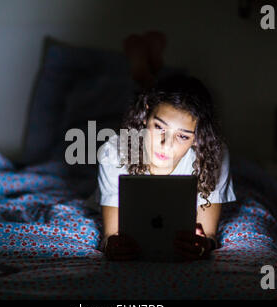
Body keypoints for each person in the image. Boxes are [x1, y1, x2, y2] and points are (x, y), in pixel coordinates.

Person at [94, 73, 237, 261]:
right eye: (160, 127)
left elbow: (209, 235)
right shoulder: (113, 153)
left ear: (197, 137)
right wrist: (112, 246)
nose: (166, 144)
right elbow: (111, 235)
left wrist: (203, 245)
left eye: (183, 136)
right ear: (146, 114)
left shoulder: (212, 156)